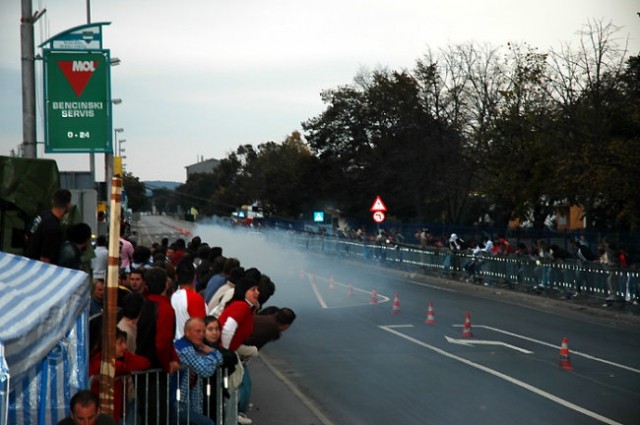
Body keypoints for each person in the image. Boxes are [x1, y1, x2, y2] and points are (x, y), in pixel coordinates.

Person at [89, 328, 150, 423]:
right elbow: (118, 368)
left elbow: (145, 363)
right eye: (120, 343)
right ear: (109, 344)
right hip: (101, 415)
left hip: (117, 413)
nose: (125, 346)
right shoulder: (97, 362)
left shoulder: (122, 359)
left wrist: (125, 356)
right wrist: (125, 365)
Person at [174, 318, 223, 425]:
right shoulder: (185, 348)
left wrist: (209, 353)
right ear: (187, 332)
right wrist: (211, 354)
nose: (201, 335)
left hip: (191, 401)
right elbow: (206, 370)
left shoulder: (196, 347)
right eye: (198, 331)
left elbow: (220, 359)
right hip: (178, 402)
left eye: (203, 331)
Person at [25, 188, 72, 265]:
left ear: (53, 201)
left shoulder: (42, 215)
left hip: (28, 263)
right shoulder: (53, 228)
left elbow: (27, 236)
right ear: (68, 205)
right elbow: (45, 259)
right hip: (39, 270)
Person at [171, 255, 207, 339]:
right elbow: (201, 328)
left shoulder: (173, 296)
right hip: (191, 345)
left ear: (176, 277)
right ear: (194, 276)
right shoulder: (195, 298)